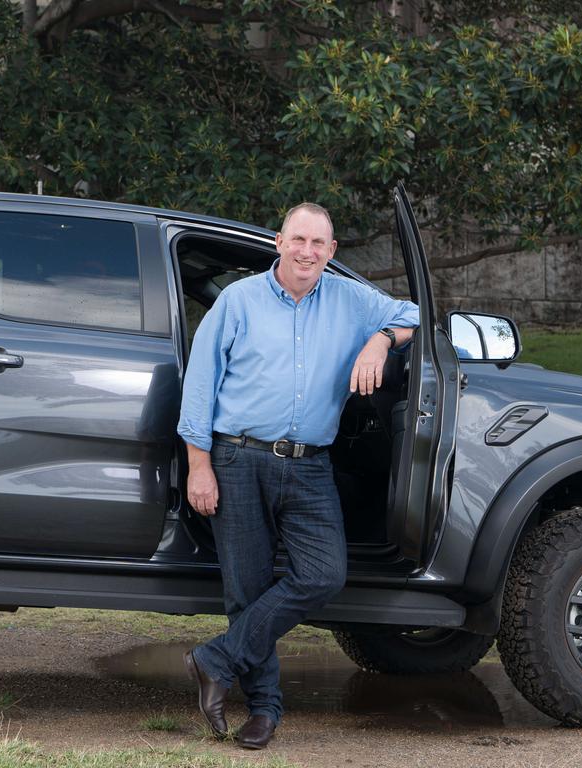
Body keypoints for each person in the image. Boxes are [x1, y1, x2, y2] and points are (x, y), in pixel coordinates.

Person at [176, 202, 419, 749]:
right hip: (237, 459)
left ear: (332, 253)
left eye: (319, 244)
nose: (308, 252)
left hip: (310, 464)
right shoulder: (238, 301)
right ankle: (263, 710)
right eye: (298, 240)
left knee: (323, 575)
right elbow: (200, 384)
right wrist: (199, 467)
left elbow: (415, 315)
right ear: (278, 243)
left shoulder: (352, 300)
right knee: (247, 589)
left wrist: (379, 340)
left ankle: (215, 659)